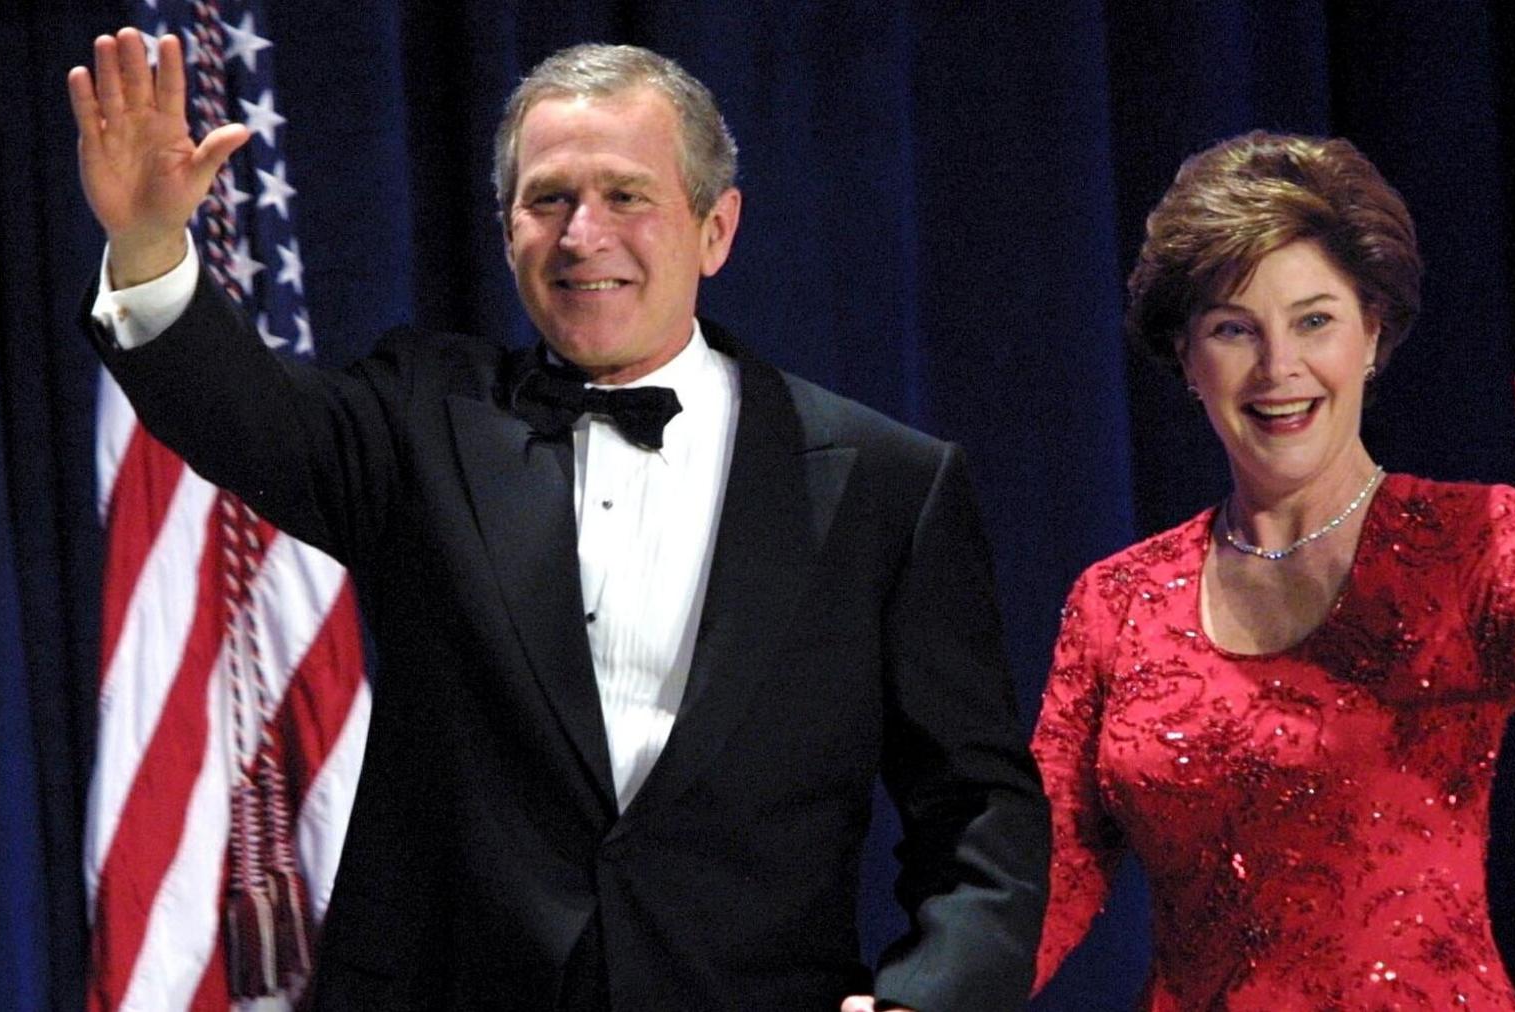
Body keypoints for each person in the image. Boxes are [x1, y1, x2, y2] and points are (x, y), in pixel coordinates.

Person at [69, 28, 1048, 1011]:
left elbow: (979, 813)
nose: (584, 235)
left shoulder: (885, 485)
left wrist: (929, 998)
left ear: (716, 228)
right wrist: (151, 248)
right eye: (549, 200)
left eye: (627, 195)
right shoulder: (421, 419)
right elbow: (243, 418)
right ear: (508, 232)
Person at [1029, 131, 1515, 1010]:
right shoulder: (1116, 601)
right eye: (1235, 328)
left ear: (1373, 334)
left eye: (1315, 320)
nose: (1280, 367)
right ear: (1188, 359)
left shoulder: (1470, 541)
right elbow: (1051, 871)